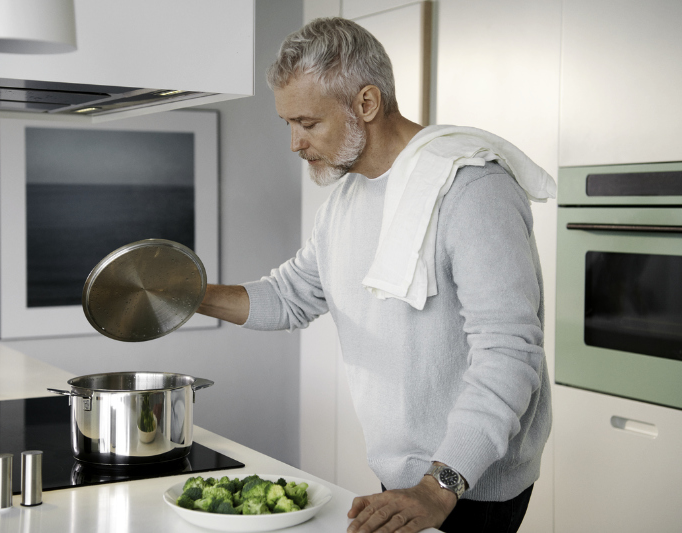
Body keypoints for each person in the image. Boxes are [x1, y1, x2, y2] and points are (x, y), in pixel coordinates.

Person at [196, 17, 552, 533]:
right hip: (403, 476)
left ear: (366, 104)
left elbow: (510, 354)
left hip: (466, 482)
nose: (295, 143)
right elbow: (290, 296)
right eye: (288, 124)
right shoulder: (344, 200)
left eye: (308, 123)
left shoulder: (472, 189)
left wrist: (439, 487)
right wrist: (182, 295)